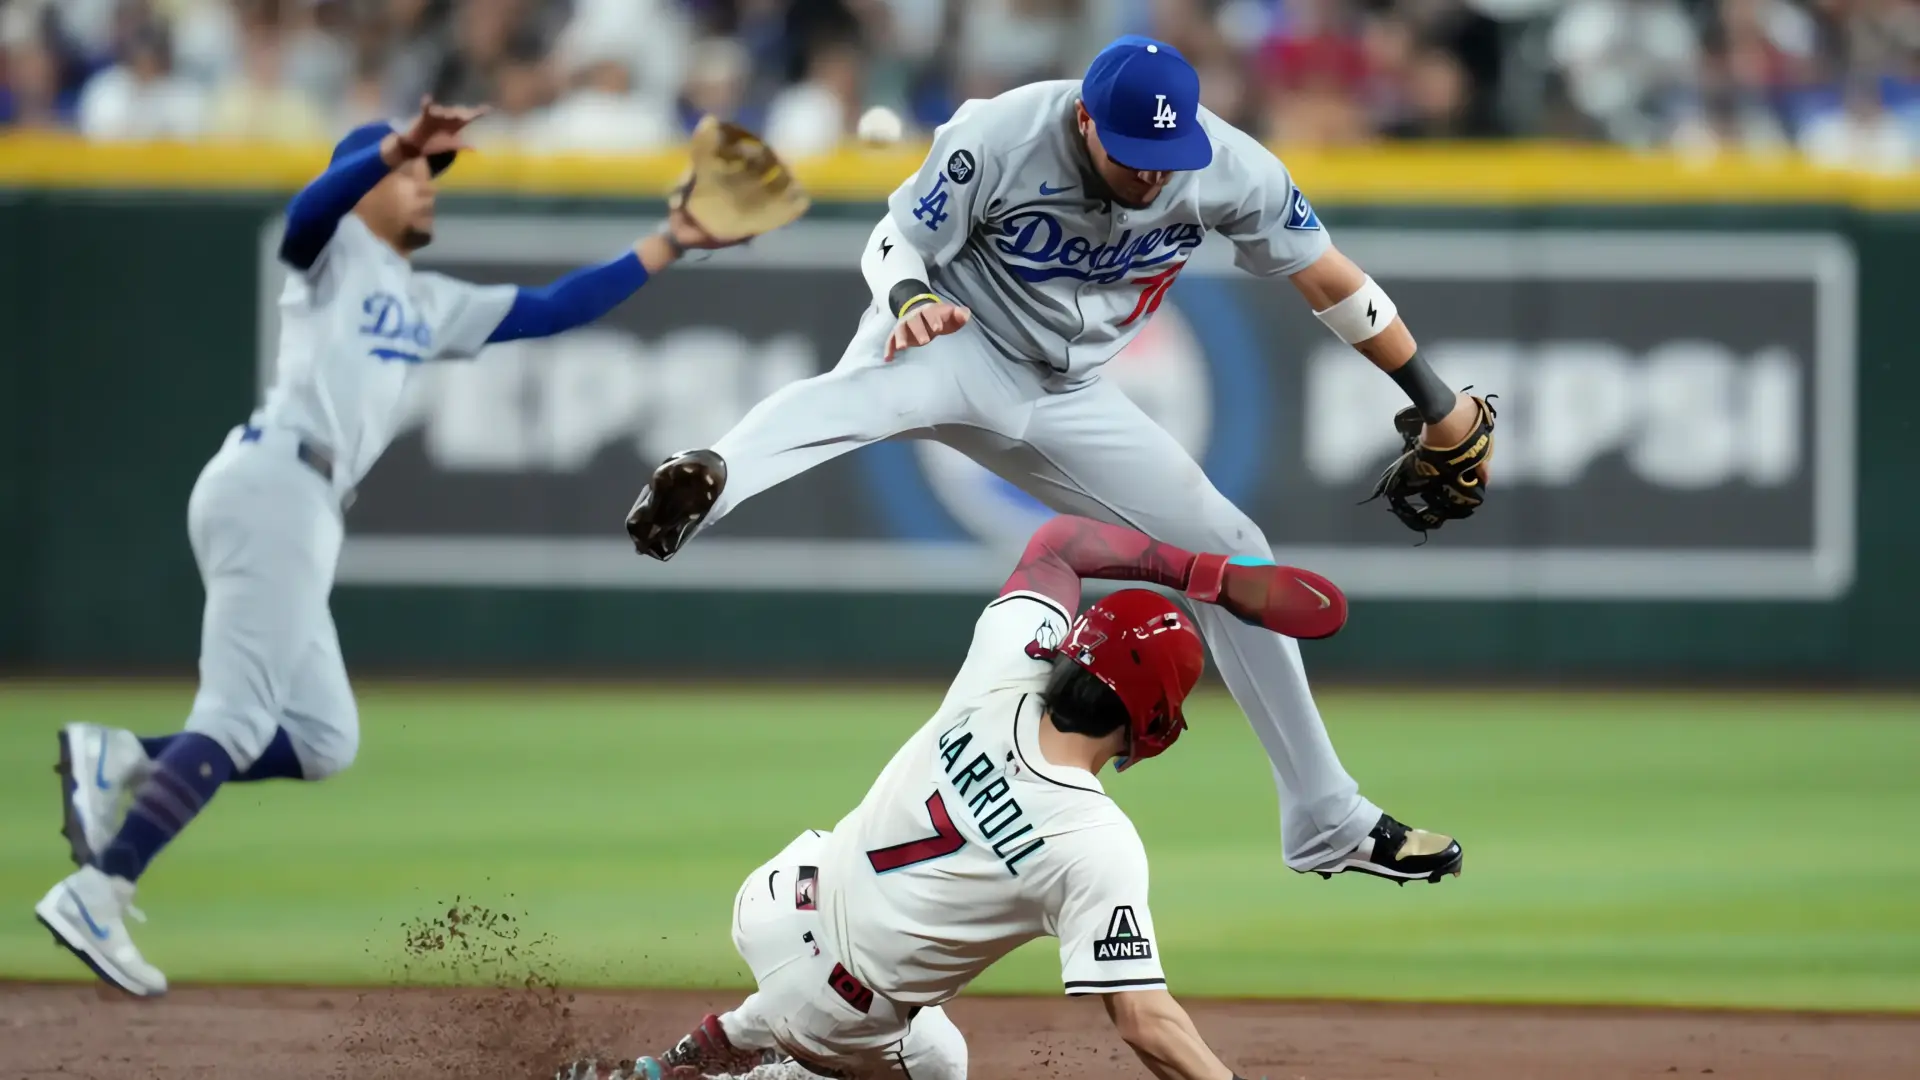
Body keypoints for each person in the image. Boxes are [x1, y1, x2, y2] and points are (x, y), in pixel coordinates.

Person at [625, 35, 1479, 886]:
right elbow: (894, 239)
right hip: (952, 338)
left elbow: (1331, 280)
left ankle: (1327, 819)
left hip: (1072, 396)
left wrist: (1437, 402)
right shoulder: (1001, 133)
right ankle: (712, 476)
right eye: (1132, 153)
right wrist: (911, 298)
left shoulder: (1226, 164)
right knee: (857, 397)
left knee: (1233, 546)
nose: (1152, 174)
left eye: (1165, 154)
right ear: (1084, 118)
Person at [34, 97, 765, 998]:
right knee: (232, 717)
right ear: (373, 182)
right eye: (415, 174)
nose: (426, 187)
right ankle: (99, 887)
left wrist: (673, 240)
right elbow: (307, 212)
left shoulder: (428, 304)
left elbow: (551, 308)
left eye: (428, 173)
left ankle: (127, 759)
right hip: (274, 482)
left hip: (300, 499)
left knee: (322, 737)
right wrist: (393, 144)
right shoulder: (330, 257)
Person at [561, 514, 1353, 1080]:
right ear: (1152, 724)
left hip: (775, 902)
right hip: (841, 1012)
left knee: (837, 973)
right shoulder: (1093, 841)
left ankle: (673, 1064)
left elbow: (1058, 543)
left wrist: (1209, 576)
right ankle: (777, 1072)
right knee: (939, 1061)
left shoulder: (1007, 660)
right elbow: (1146, 1024)